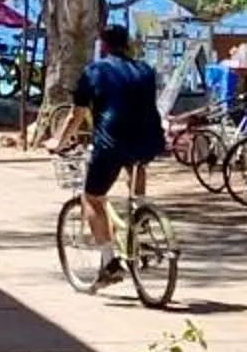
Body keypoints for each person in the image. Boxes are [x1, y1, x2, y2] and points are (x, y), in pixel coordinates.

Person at [58, 22, 168, 286]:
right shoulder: (145, 70)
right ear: (127, 43)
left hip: (111, 143)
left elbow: (76, 115)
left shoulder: (94, 71)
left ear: (103, 44)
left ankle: (109, 262)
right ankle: (140, 214)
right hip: (149, 140)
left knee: (92, 198)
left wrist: (58, 142)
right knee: (137, 163)